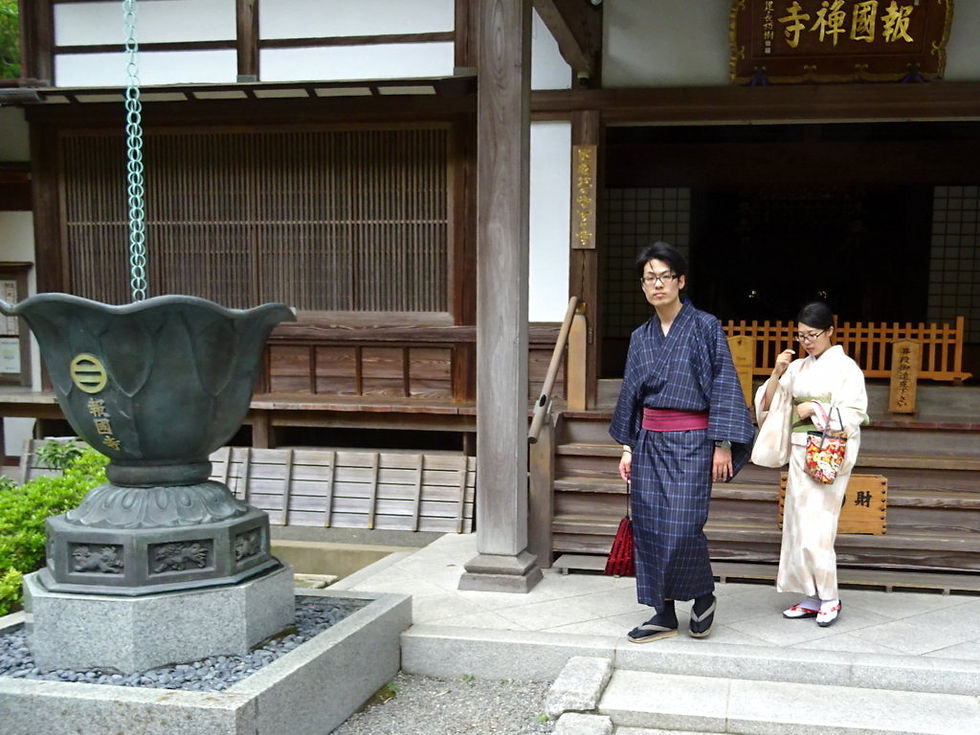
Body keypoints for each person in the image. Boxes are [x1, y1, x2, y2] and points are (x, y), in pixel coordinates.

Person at [610, 241, 755, 643]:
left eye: (664, 276)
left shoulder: (705, 326)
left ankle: (703, 595)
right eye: (649, 278)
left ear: (680, 281)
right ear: (642, 286)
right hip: (650, 442)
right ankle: (663, 611)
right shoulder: (641, 337)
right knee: (652, 526)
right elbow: (632, 396)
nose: (657, 284)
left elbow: (725, 382)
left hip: (693, 440)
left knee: (685, 527)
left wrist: (723, 441)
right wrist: (628, 447)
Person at [755, 301, 868, 627]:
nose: (806, 341)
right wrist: (777, 372)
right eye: (801, 335)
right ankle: (810, 595)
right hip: (800, 452)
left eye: (813, 335)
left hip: (828, 455)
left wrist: (814, 410)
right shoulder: (798, 368)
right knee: (797, 526)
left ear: (830, 331)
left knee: (819, 530)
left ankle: (830, 596)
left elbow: (854, 414)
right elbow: (769, 405)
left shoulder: (847, 369)